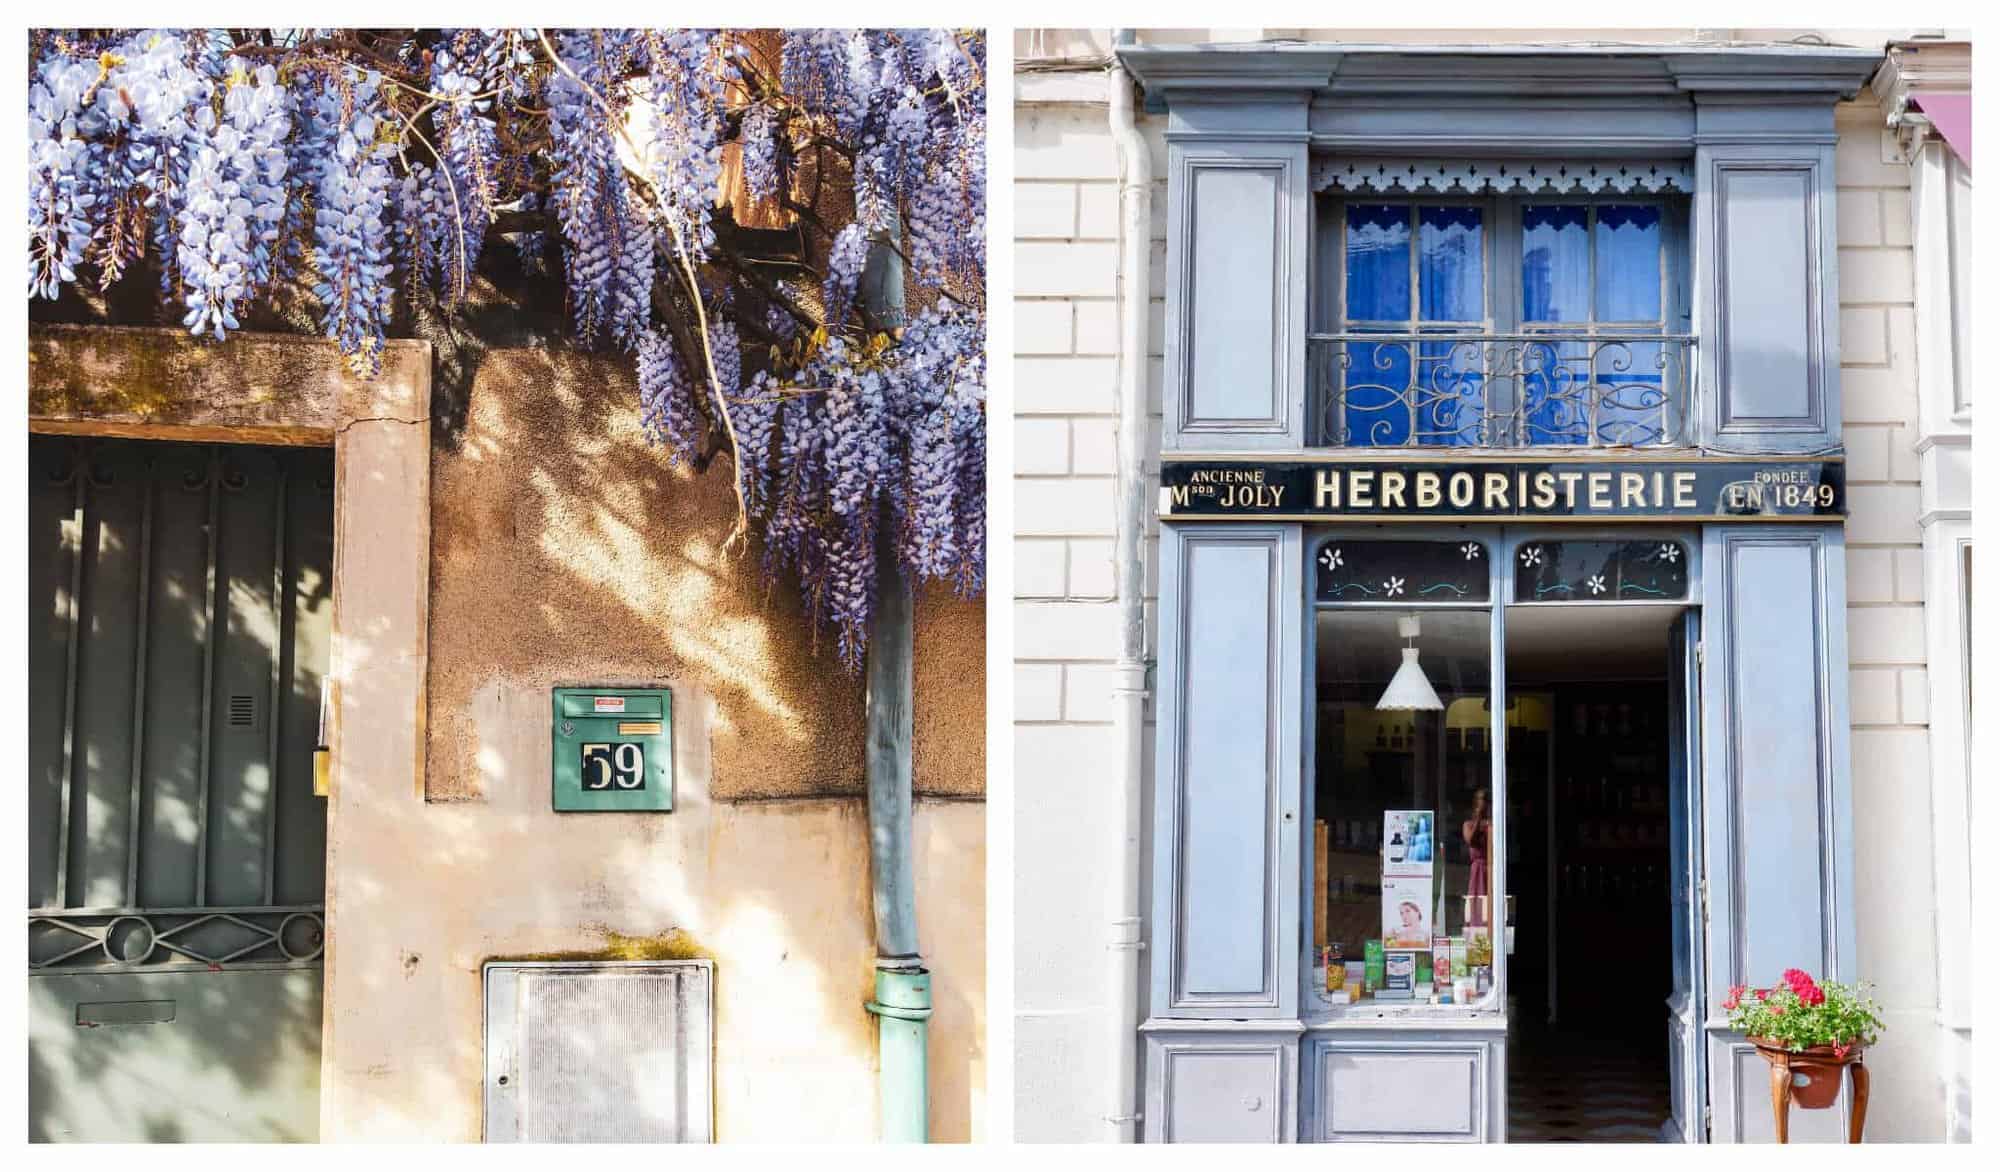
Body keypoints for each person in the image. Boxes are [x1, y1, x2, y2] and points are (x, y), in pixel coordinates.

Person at [1463, 788, 1491, 927]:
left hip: (1491, 868)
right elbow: (1471, 840)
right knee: (1477, 904)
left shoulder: (1491, 825)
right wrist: (1478, 819)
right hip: (1478, 870)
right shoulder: (1468, 824)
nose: (1484, 804)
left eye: (1487, 801)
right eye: (1482, 800)